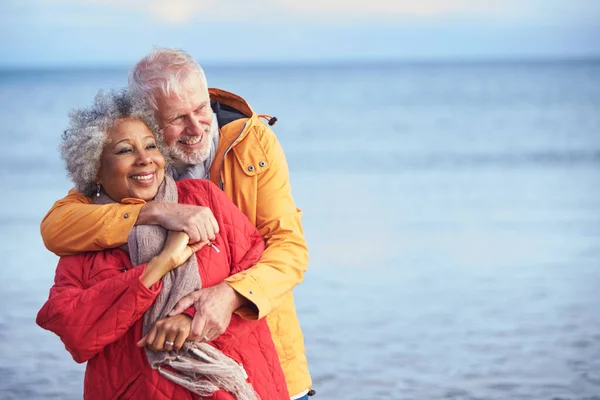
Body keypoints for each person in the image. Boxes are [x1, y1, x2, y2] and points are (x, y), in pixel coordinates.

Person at [40, 48, 313, 399]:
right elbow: (57, 227)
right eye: (176, 119)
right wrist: (154, 214)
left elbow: (287, 248)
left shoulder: (251, 144)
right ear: (148, 120)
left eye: (201, 109)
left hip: (260, 356)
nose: (196, 127)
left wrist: (228, 296)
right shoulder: (131, 169)